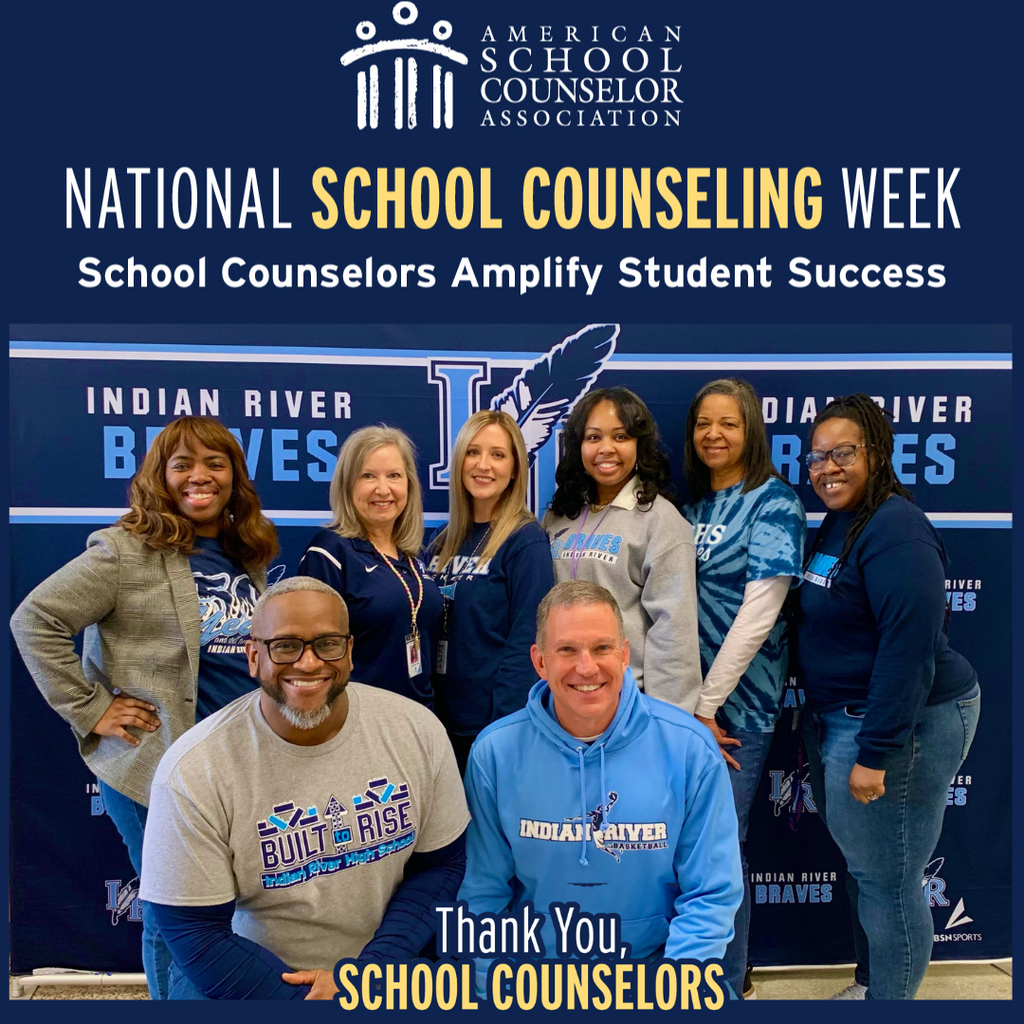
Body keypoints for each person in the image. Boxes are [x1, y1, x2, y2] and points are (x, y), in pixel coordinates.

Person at [10, 416, 279, 1000]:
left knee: (223, 904)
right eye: (182, 464)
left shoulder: (245, 552)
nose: (199, 477)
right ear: (161, 477)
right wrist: (91, 708)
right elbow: (36, 619)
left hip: (234, 762)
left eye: (215, 463)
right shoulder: (125, 550)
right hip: (152, 763)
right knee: (173, 906)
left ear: (234, 475)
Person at [140, 577, 470, 1000]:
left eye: (327, 644)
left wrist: (368, 975)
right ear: (253, 656)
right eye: (285, 645)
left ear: (350, 652)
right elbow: (193, 931)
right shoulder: (194, 770)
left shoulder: (417, 730)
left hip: (385, 967)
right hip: (250, 976)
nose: (309, 662)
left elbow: (439, 867)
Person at [459, 580, 742, 996]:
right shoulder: (495, 753)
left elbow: (710, 895)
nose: (586, 668)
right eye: (567, 650)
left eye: (603, 648)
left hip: (657, 974)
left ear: (625, 654)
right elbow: (482, 896)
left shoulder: (688, 749)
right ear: (539, 661)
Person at [796, 395, 980, 1001]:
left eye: (842, 453)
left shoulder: (895, 527)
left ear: (877, 453)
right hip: (844, 718)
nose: (827, 468)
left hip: (900, 723)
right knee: (872, 874)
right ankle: (876, 988)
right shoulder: (842, 522)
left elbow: (910, 649)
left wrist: (876, 750)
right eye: (817, 456)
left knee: (891, 881)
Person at [682, 379, 807, 1001]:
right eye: (704, 423)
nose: (714, 434)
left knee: (720, 849)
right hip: (684, 710)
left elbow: (760, 614)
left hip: (738, 711)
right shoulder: (692, 508)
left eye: (728, 423)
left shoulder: (774, 502)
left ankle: (726, 987)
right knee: (686, 849)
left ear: (751, 429)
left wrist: (706, 707)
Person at [543, 387, 701, 711]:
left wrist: (669, 722)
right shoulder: (558, 515)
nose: (606, 449)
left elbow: (674, 633)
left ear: (639, 445)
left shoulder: (660, 521)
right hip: (561, 697)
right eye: (593, 437)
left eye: (620, 437)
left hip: (628, 703)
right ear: (578, 446)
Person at [425, 410, 554, 773]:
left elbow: (528, 641)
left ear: (515, 468)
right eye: (473, 452)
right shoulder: (440, 542)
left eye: (498, 454)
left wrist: (505, 728)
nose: (483, 465)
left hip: (491, 729)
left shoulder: (525, 541)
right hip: (439, 725)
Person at [298, 425, 442, 707]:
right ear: (347, 484)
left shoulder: (413, 558)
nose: (383, 488)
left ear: (409, 485)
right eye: (368, 476)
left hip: (420, 715)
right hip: (359, 720)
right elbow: (313, 655)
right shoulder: (329, 552)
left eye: (394, 476)